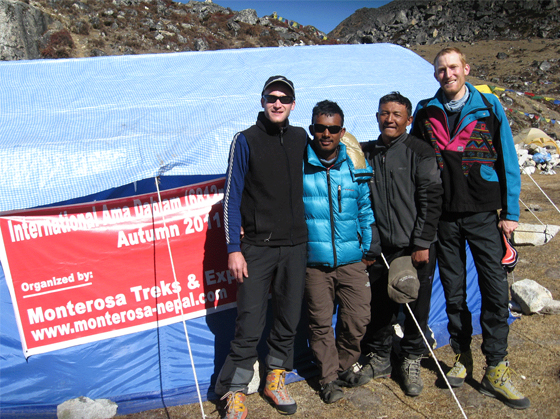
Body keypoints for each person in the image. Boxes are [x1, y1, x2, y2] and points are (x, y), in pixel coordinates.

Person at [411, 47, 530, 409]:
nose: (447, 74)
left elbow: (508, 158)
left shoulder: (489, 107)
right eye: (441, 70)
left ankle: (496, 366)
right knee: (454, 292)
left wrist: (510, 213)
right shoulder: (424, 112)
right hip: (444, 218)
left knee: (495, 291)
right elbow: (415, 161)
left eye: (453, 67)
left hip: (482, 214)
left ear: (466, 68)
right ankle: (463, 357)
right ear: (435, 75)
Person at [215, 75, 308, 418]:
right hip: (256, 247)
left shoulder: (301, 137)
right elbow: (232, 195)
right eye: (272, 97)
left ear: (293, 104)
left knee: (288, 317)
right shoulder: (245, 140)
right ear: (263, 100)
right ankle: (235, 390)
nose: (278, 103)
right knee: (250, 321)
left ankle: (275, 378)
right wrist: (233, 247)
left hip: (296, 245)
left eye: (284, 98)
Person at [360, 92, 443, 397]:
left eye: (397, 114)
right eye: (384, 113)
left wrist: (422, 242)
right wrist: (372, 246)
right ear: (377, 116)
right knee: (380, 306)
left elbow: (431, 199)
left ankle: (410, 359)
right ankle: (380, 357)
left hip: (414, 246)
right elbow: (364, 202)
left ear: (408, 120)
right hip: (382, 247)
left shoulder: (420, 152)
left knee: (415, 307)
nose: (390, 119)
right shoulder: (368, 153)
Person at [303, 100, 381, 404]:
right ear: (312, 130)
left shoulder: (353, 165)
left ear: (342, 131)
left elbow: (364, 208)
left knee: (358, 318)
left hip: (352, 259)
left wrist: (369, 246)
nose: (326, 134)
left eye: (332, 129)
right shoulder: (299, 165)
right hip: (314, 263)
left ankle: (345, 364)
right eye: (320, 128)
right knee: (320, 323)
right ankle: (328, 378)